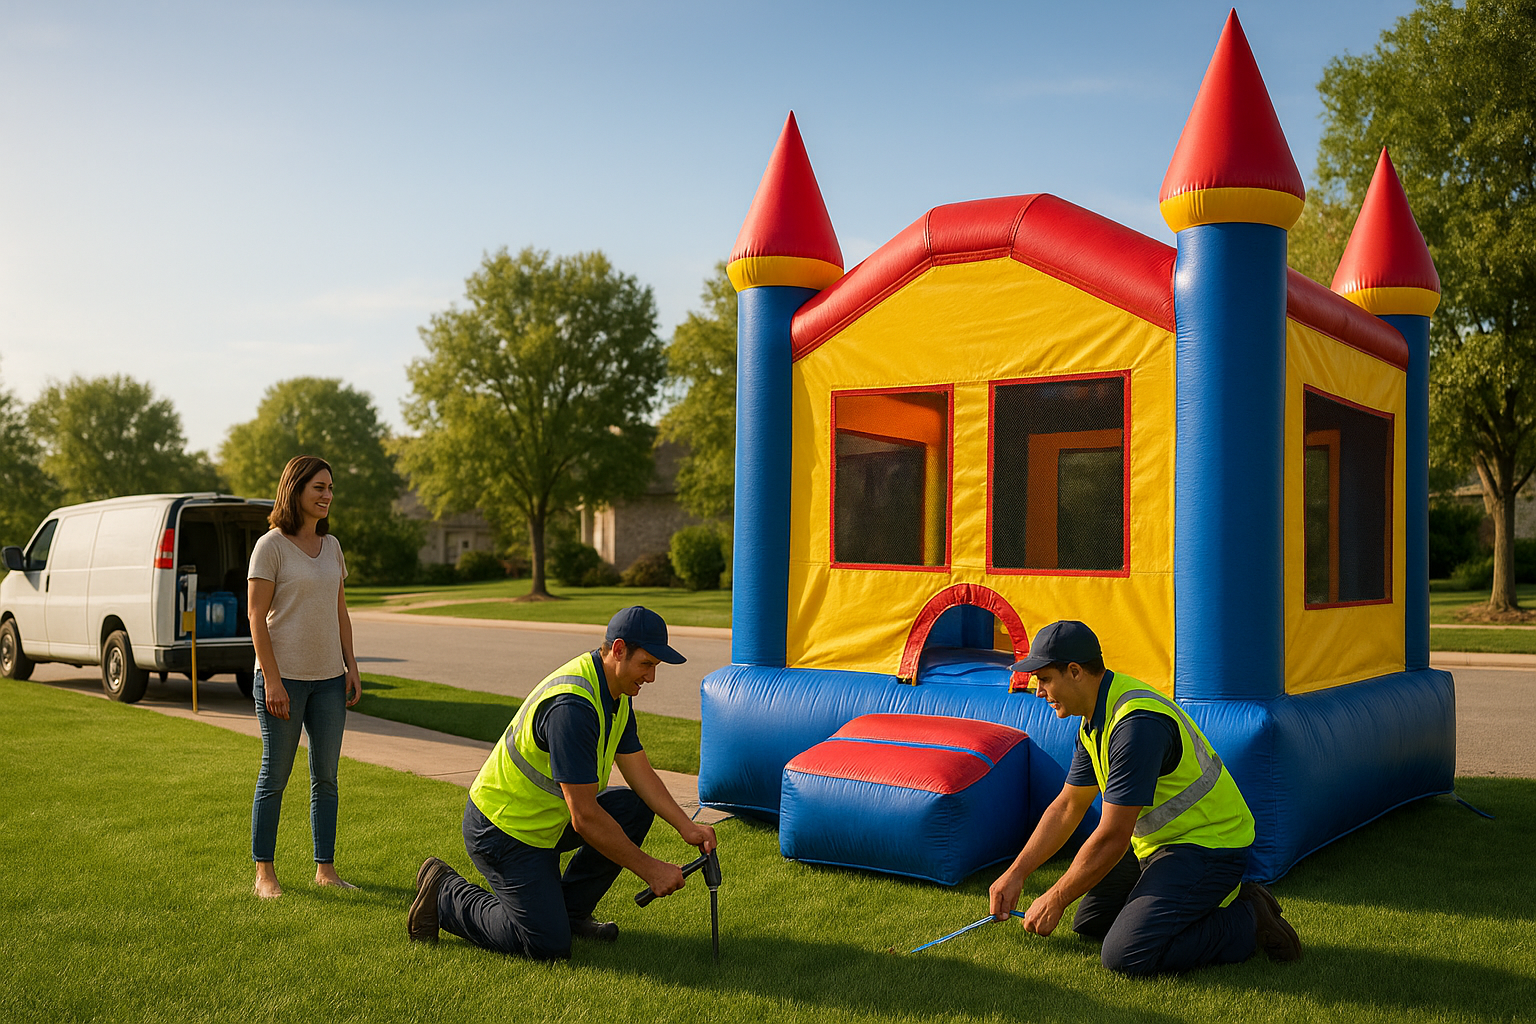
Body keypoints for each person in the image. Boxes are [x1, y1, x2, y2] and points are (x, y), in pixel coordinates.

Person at [988, 620, 1301, 974]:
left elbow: (1112, 836)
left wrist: (1056, 897)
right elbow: (1067, 806)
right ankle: (1175, 904)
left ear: (1074, 671)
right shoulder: (1094, 720)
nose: (1039, 691)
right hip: (1157, 845)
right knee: (1091, 923)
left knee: (1125, 954)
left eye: (1044, 679)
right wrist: (1016, 873)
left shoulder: (1136, 725)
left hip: (1209, 846)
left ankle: (1247, 919)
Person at [408, 606, 717, 959]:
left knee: (633, 807)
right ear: (618, 650)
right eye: (646, 664)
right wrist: (651, 870)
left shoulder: (615, 692)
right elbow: (584, 817)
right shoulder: (573, 707)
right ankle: (445, 894)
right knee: (546, 946)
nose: (651, 677)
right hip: (504, 831)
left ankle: (570, 914)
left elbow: (639, 770)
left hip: (545, 823)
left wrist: (685, 826)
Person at [247, 455, 362, 898]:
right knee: (275, 776)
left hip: (329, 680)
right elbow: (257, 619)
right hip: (284, 681)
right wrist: (272, 681)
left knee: (326, 776)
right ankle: (265, 874)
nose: (327, 495)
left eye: (330, 487)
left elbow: (340, 612)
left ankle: (326, 869)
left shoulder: (331, 547)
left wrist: (351, 664)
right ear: (295, 489)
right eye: (319, 487)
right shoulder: (270, 546)